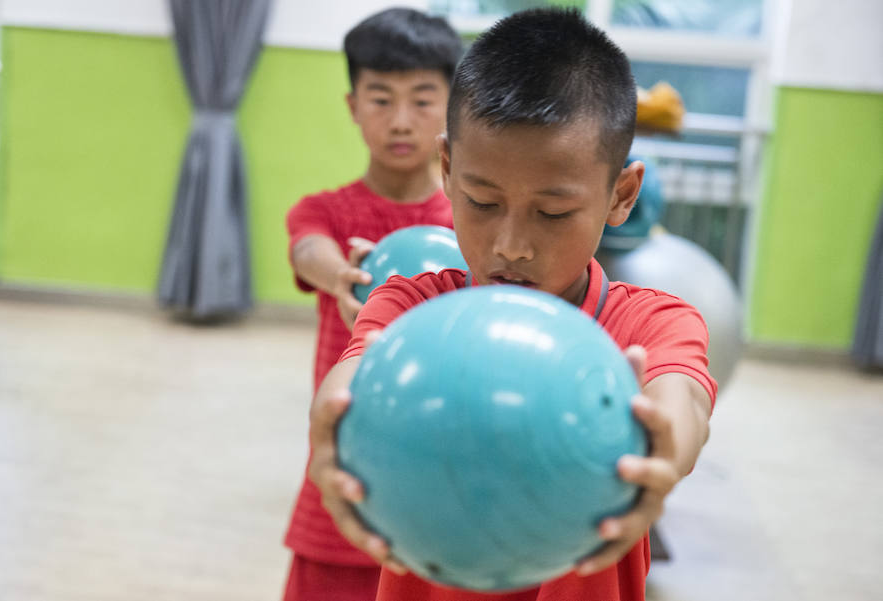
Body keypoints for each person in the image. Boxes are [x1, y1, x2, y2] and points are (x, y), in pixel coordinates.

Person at [307, 7, 717, 601]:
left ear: (621, 195)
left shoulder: (649, 323)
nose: (511, 246)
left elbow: (682, 407)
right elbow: (351, 379)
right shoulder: (410, 307)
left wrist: (662, 447)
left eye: (553, 212)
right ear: (447, 170)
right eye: (481, 201)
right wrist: (333, 429)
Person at [281, 8, 463, 601]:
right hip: (345, 464)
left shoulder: (474, 230)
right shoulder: (325, 211)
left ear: (453, 107)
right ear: (353, 105)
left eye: (423, 99)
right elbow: (309, 249)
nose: (402, 121)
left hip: (440, 481)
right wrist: (344, 276)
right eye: (381, 99)